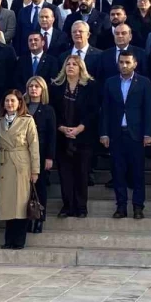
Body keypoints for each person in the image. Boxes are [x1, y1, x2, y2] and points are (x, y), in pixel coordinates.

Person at [98, 49, 151, 219]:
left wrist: (148, 133)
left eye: (127, 62)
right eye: (121, 62)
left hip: (136, 135)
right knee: (118, 172)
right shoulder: (110, 82)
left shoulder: (144, 82)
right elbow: (105, 110)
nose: (124, 65)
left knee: (137, 173)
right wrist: (104, 133)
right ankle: (121, 206)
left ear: (135, 64)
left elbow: (148, 109)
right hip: (116, 134)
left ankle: (138, 207)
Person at [0, 90, 40, 249]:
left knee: (20, 203)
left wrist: (35, 170)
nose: (9, 104)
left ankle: (19, 240)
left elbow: (34, 146)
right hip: (4, 163)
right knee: (7, 203)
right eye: (7, 101)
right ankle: (8, 239)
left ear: (19, 103)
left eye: (12, 101)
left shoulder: (27, 120)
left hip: (21, 163)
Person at [50, 54, 98, 218]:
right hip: (62, 136)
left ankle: (81, 207)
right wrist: (61, 127)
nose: (70, 66)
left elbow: (93, 111)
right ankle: (67, 206)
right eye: (68, 64)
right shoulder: (56, 86)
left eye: (74, 64)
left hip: (83, 137)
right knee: (65, 174)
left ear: (81, 68)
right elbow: (52, 111)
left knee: (82, 173)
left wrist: (79, 128)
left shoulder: (90, 86)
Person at [25, 78, 56, 233]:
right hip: (23, 153)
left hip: (42, 152)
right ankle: (27, 219)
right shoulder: (22, 107)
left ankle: (39, 218)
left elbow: (52, 134)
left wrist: (50, 156)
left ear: (42, 89)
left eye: (37, 86)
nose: (33, 89)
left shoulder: (48, 109)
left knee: (40, 187)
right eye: (31, 86)